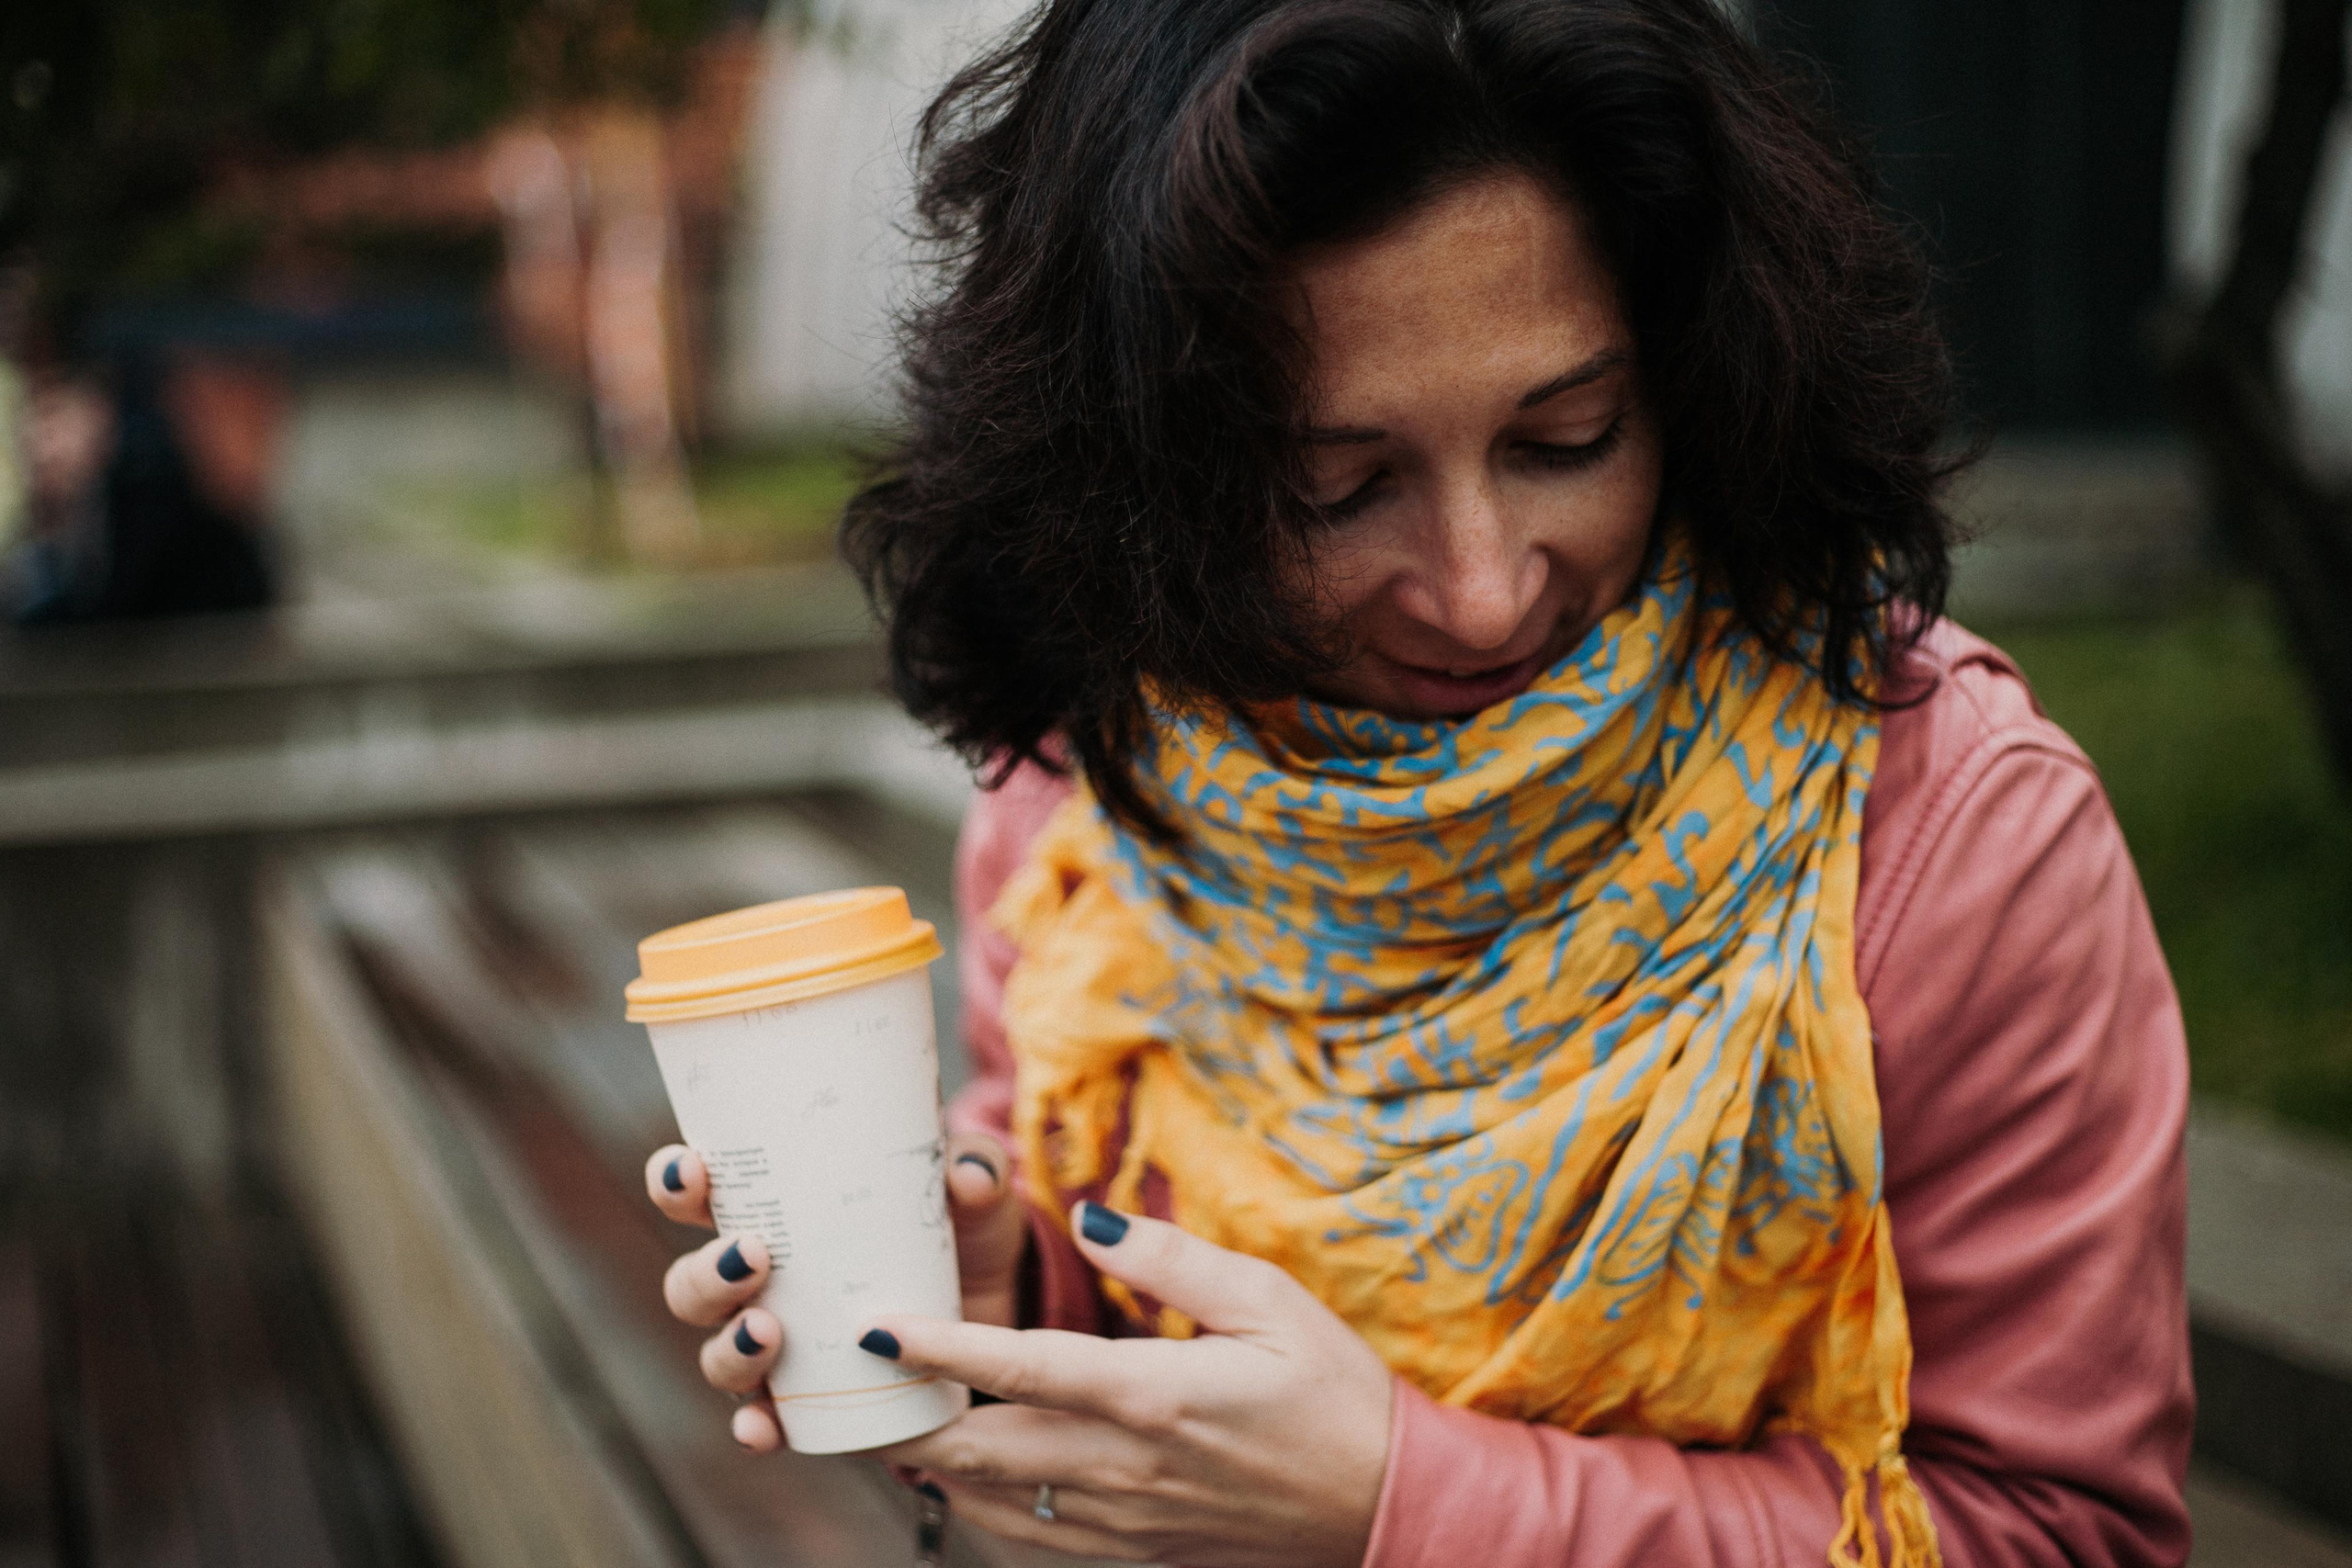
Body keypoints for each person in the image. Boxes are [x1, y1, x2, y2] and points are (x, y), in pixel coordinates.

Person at [645, 3, 2194, 1563]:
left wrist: (1400, 1500)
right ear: (1145, 474)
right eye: (1340, 488)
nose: (1480, 592)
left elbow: (2064, 1533)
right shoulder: (1092, 788)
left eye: (1567, 439)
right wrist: (1003, 1312)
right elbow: (1091, 1230)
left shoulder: (1943, 830)